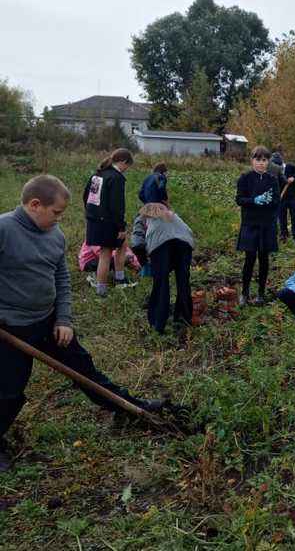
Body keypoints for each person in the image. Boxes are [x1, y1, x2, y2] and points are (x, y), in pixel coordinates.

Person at [0, 175, 163, 472]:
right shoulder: (4, 229)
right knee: (9, 391)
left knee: (84, 369)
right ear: (35, 205)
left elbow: (61, 279)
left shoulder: (54, 235)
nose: (59, 219)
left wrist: (63, 318)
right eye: (56, 213)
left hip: (48, 323)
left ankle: (126, 406)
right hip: (11, 329)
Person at [83, 148, 134, 296]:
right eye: (127, 166)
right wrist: (121, 227)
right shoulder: (116, 178)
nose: (126, 170)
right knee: (105, 254)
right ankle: (101, 291)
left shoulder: (98, 174)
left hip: (94, 219)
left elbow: (86, 195)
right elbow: (117, 207)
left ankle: (120, 279)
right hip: (108, 221)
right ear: (123, 162)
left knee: (123, 245)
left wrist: (91, 213)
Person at [138, 203, 195, 334]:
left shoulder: (144, 219)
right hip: (184, 245)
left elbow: (136, 243)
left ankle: (157, 323)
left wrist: (144, 262)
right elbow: (189, 231)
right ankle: (184, 318)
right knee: (183, 282)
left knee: (161, 284)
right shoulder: (174, 216)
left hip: (161, 246)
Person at [236, 146, 281, 306]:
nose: (261, 163)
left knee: (264, 259)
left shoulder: (272, 180)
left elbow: (277, 201)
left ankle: (261, 294)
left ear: (268, 162)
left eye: (264, 160)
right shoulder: (245, 178)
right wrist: (254, 200)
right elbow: (240, 199)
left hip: (266, 225)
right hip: (250, 224)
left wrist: (270, 200)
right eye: (258, 160)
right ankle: (244, 293)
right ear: (252, 161)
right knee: (249, 259)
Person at [270, 150, 295, 243]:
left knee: (294, 216)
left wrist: (293, 177)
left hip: (292, 197)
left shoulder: (290, 167)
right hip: (281, 198)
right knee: (281, 217)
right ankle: (283, 235)